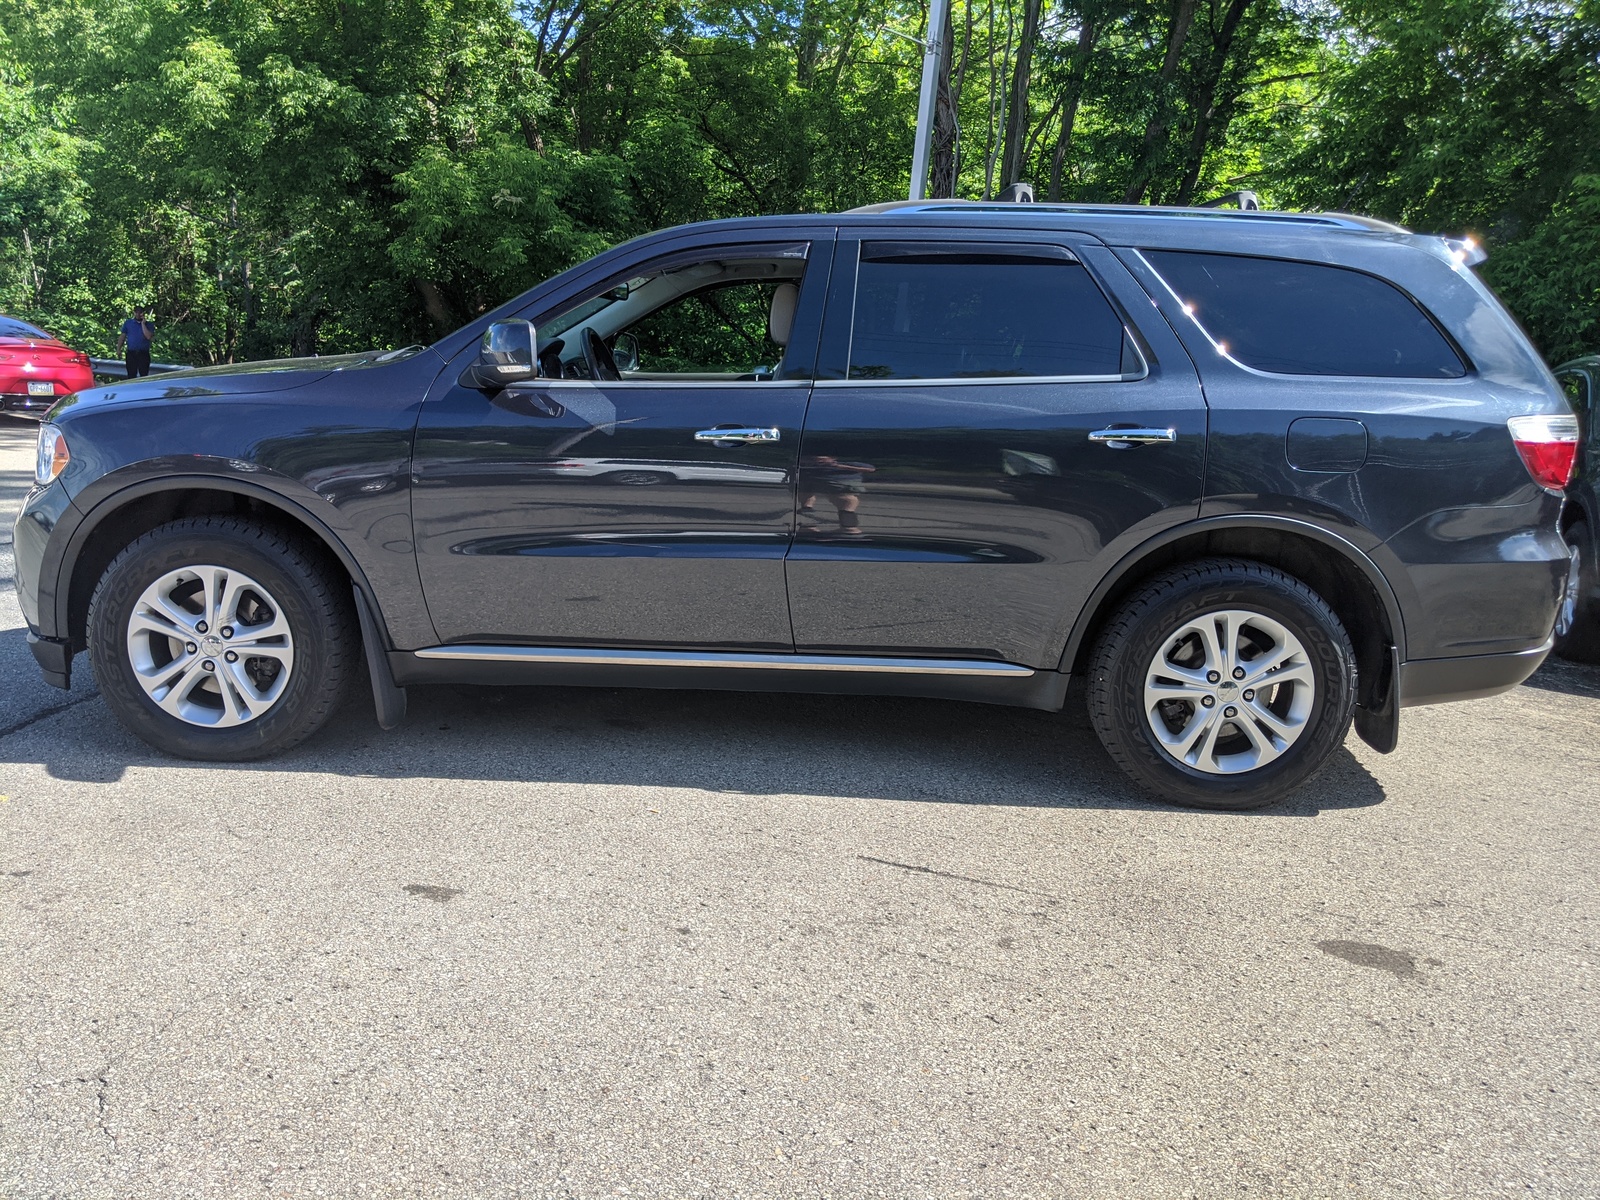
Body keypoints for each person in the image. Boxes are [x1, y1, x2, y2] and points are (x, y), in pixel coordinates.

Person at [115, 306, 155, 378]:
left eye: (140, 312)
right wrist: (118, 349)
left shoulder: (149, 325)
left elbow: (148, 336)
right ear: (134, 313)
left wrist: (143, 324)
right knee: (131, 375)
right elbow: (122, 337)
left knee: (144, 375)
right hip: (131, 353)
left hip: (143, 354)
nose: (138, 314)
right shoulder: (128, 323)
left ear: (143, 313)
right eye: (136, 312)